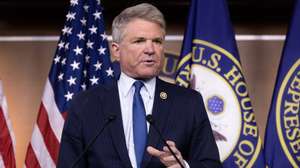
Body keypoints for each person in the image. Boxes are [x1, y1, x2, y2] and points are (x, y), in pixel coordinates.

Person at [57, 3, 221, 168]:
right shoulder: (86, 104)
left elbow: (212, 165)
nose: (150, 49)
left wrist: (183, 165)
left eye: (157, 41)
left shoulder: (188, 102)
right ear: (116, 50)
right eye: (139, 41)